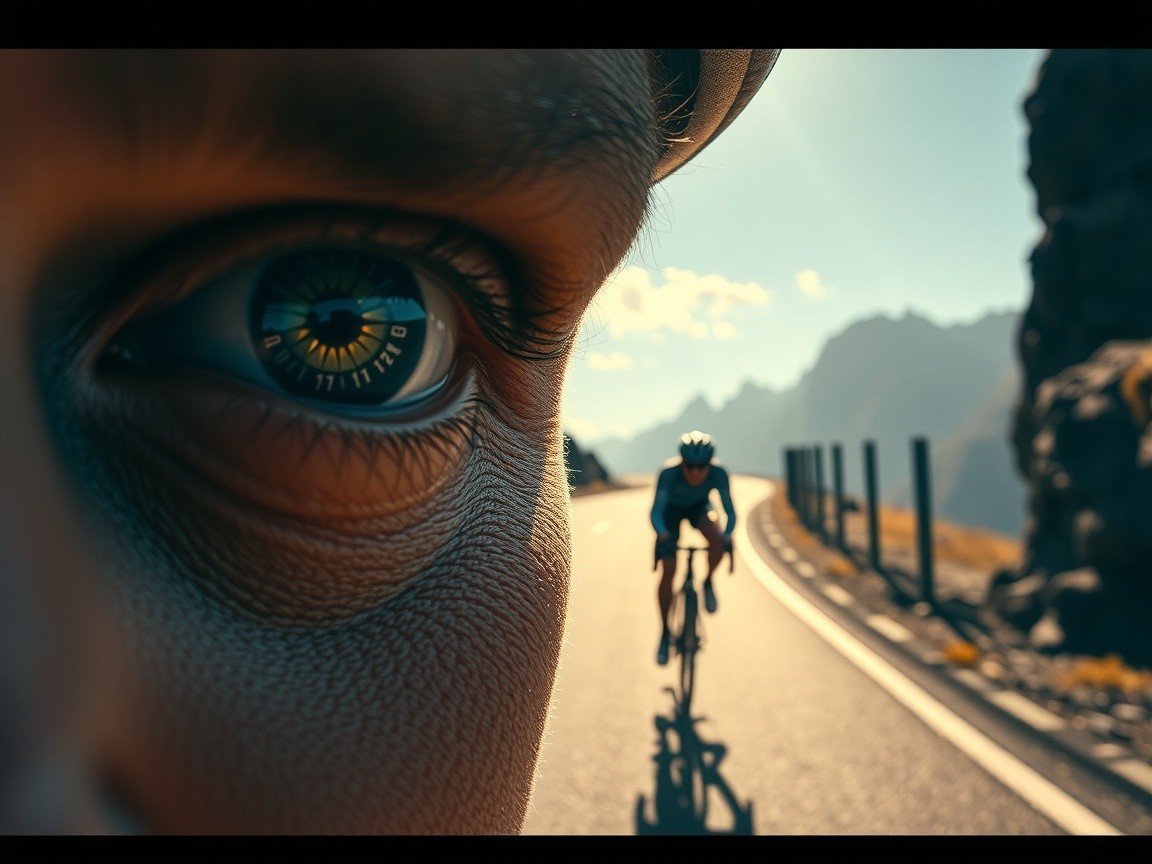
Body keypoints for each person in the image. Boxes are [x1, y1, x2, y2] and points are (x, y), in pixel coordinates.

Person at [0, 49, 778, 834]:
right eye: (327, 324)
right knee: (665, 562)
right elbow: (662, 525)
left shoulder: (701, 481)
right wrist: (667, 557)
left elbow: (718, 518)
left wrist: (717, 551)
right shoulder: (676, 481)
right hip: (667, 521)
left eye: (335, 321)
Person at [650, 431, 737, 666]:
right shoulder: (668, 474)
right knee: (668, 570)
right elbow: (656, 512)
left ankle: (707, 581)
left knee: (717, 539)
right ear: (682, 462)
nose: (696, 472)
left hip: (701, 508)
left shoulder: (719, 473)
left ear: (710, 463)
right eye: (690, 466)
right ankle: (665, 633)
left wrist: (727, 536)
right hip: (671, 512)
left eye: (702, 466)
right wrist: (662, 533)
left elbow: (730, 512)